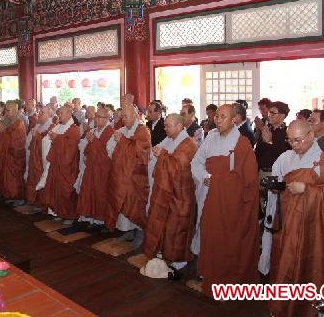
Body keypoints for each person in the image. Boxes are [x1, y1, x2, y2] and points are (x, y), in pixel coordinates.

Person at [260, 120, 324, 317]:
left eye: (298, 140)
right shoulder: (285, 158)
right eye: (290, 141)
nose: (294, 145)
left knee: (310, 268)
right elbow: (276, 183)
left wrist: (307, 189)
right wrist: (275, 186)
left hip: (314, 228)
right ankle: (282, 307)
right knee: (284, 265)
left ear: (311, 135)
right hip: (288, 224)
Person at [188, 104, 260, 297]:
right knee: (207, 231)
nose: (218, 120)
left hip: (230, 200)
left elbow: (249, 178)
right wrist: (205, 177)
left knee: (226, 235)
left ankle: (225, 276)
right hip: (208, 192)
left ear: (234, 119)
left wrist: (221, 182)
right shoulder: (210, 138)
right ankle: (208, 271)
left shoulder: (242, 143)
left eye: (223, 116)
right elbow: (196, 162)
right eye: (217, 116)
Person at [144, 114, 197, 271]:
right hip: (166, 191)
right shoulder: (169, 140)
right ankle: (166, 252)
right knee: (166, 224)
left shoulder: (189, 144)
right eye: (165, 125)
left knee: (178, 227)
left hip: (181, 194)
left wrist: (162, 155)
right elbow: (162, 156)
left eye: (168, 125)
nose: (165, 128)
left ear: (180, 126)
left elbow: (178, 166)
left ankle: (180, 259)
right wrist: (156, 153)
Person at [105, 105, 151, 247]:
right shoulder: (121, 130)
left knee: (136, 205)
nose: (123, 119)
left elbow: (142, 152)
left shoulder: (143, 130)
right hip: (121, 175)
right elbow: (109, 148)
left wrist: (123, 142)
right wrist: (120, 142)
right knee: (124, 204)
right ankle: (128, 230)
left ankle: (140, 232)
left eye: (126, 116)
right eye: (122, 116)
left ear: (135, 115)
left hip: (136, 176)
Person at [36, 105, 80, 222]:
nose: (59, 115)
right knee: (55, 189)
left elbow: (71, 148)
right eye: (59, 113)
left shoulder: (74, 129)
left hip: (67, 166)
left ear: (70, 114)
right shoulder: (58, 126)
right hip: (56, 164)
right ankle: (58, 212)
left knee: (66, 191)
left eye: (62, 113)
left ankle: (70, 215)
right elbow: (47, 139)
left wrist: (57, 139)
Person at [75, 107, 115, 225]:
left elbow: (109, 154)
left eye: (99, 117)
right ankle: (89, 218)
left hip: (103, 170)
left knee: (100, 194)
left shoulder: (111, 133)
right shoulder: (92, 131)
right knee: (88, 192)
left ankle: (101, 221)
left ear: (107, 118)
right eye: (96, 116)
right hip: (90, 167)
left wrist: (94, 141)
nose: (96, 119)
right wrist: (87, 141)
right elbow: (82, 148)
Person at [0, 100, 27, 204]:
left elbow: (18, 143)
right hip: (5, 155)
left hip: (14, 157)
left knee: (14, 178)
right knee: (5, 176)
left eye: (8, 111)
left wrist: (4, 133)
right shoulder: (5, 122)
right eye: (6, 111)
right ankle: (8, 195)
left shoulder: (19, 124)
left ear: (15, 111)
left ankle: (18, 197)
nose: (6, 113)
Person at [24, 105, 55, 207]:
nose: (39, 114)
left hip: (42, 160)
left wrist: (37, 136)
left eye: (42, 113)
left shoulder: (52, 126)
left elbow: (47, 143)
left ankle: (41, 204)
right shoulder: (37, 125)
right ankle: (33, 201)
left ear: (49, 115)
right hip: (33, 157)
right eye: (39, 112)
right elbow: (29, 141)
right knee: (32, 179)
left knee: (41, 178)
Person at [254, 101, 291, 178]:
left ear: (282, 116)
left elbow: (281, 154)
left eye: (273, 113)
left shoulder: (287, 132)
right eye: (269, 113)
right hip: (260, 168)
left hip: (275, 172)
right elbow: (258, 149)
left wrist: (269, 141)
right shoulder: (268, 128)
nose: (269, 115)